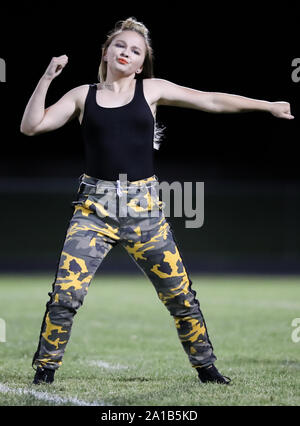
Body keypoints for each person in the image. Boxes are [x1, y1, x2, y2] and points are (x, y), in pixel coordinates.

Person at [20, 17, 293, 386]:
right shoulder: (81, 95)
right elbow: (31, 126)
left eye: (135, 51)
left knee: (181, 296)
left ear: (140, 62)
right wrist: (48, 77)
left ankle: (207, 369)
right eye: (120, 46)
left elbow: (210, 99)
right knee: (65, 295)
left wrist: (266, 105)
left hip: (143, 208)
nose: (126, 53)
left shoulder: (151, 90)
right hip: (94, 209)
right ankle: (45, 370)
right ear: (106, 51)